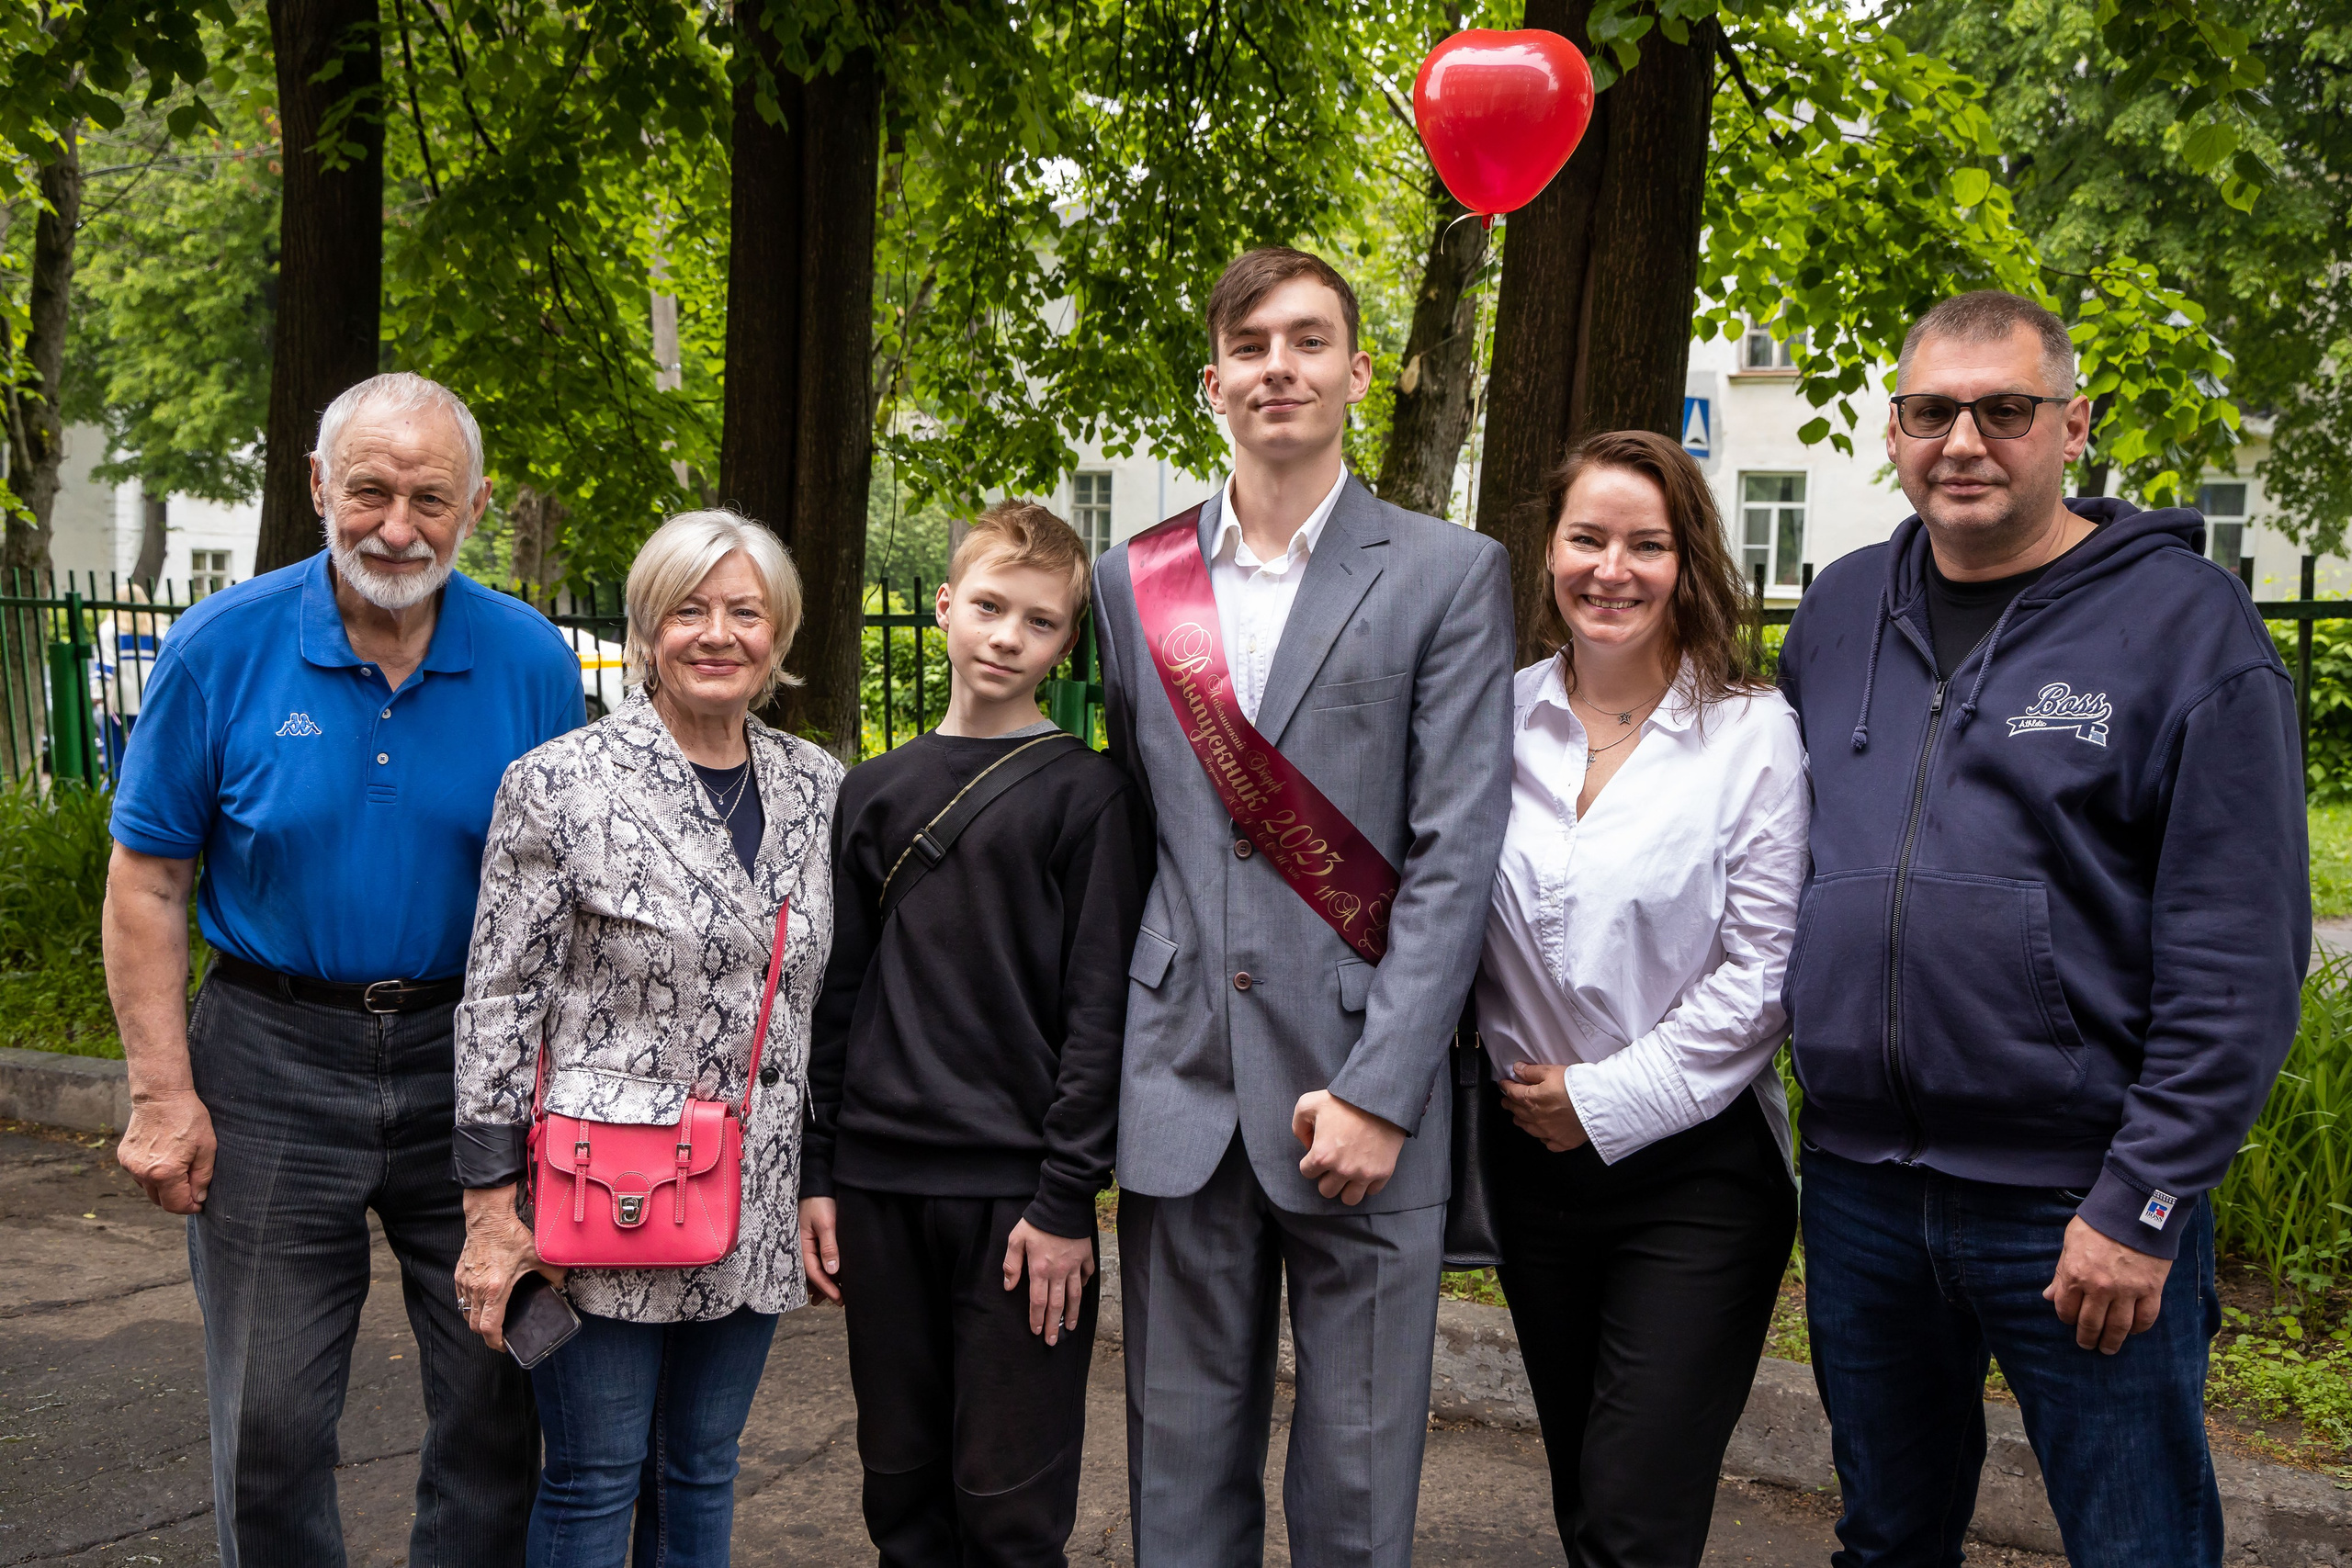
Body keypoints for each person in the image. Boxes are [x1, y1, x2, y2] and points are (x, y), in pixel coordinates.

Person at [1778, 289, 2308, 1568]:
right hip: (1863, 1188)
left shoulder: (2187, 627)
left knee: (2137, 1544)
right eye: (1931, 411)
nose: (1964, 439)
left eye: (2004, 409)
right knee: (1886, 1535)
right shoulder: (1840, 608)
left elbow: (2240, 954)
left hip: (2081, 1200)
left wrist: (2145, 1197)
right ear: (1894, 431)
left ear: (2074, 426)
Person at [102, 372, 583, 1565]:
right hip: (269, 1056)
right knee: (267, 1418)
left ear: (472, 506)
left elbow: (573, 898)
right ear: (320, 486)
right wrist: (164, 1091)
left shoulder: (530, 661)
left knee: (495, 1399)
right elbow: (149, 882)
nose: (397, 525)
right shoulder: (223, 647)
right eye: (369, 489)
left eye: (429, 496)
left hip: (472, 1063)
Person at [1091, 246, 1513, 1567]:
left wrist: (1389, 1086)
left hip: (1362, 1090)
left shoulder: (1451, 571)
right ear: (1213, 380)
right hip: (1182, 1090)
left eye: (1311, 339)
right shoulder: (1131, 581)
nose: (1281, 364)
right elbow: (1141, 824)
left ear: (1357, 370)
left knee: (1354, 1489)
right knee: (1179, 1482)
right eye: (1254, 342)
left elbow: (1456, 851)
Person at [450, 509, 842, 1567]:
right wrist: (492, 1212)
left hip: (751, 1192)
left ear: (780, 635)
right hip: (599, 1194)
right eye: (689, 610)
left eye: (745, 612)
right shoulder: (560, 783)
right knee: (591, 1479)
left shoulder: (817, 788)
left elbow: (821, 1004)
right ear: (647, 628)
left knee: (703, 1470)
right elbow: (498, 1004)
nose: (717, 634)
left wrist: (817, 1177)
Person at [1473, 429, 1806, 1566]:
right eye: (1587, 538)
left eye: (1646, 544)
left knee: (1634, 1514)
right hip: (1528, 1164)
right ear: (1548, 552)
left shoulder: (1750, 731)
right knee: (1584, 1489)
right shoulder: (1491, 719)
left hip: (1696, 1173)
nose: (1612, 569)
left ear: (1687, 560)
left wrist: (1603, 1099)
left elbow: (1764, 974)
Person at [801, 499, 1149, 1567]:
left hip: (1017, 1207)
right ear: (947, 605)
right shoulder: (871, 791)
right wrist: (820, 1175)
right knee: (900, 1493)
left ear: (1066, 644)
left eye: (1038, 622)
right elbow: (835, 999)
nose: (1007, 636)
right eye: (990, 607)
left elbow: (1101, 1017)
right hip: (877, 1190)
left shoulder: (1088, 797)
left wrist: (1063, 1200)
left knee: (1008, 1501)